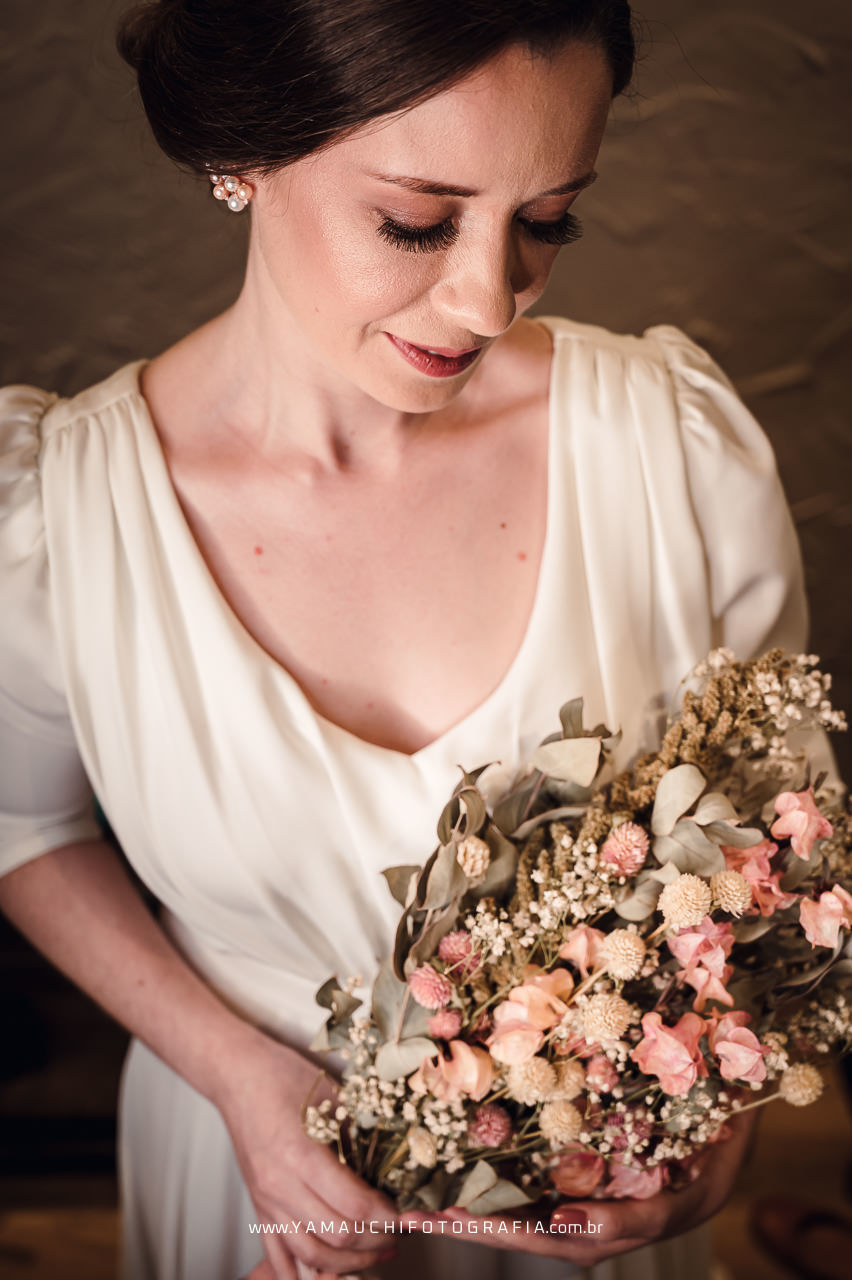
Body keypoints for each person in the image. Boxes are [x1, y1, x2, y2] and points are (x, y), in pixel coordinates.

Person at [0, 1, 805, 1277]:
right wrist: (235, 1074)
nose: (488, 297)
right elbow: (24, 827)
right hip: (247, 1181)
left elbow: (777, 845)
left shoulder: (675, 453)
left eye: (547, 220)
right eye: (416, 220)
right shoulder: (57, 518)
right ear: (244, 152)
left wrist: (732, 1118)